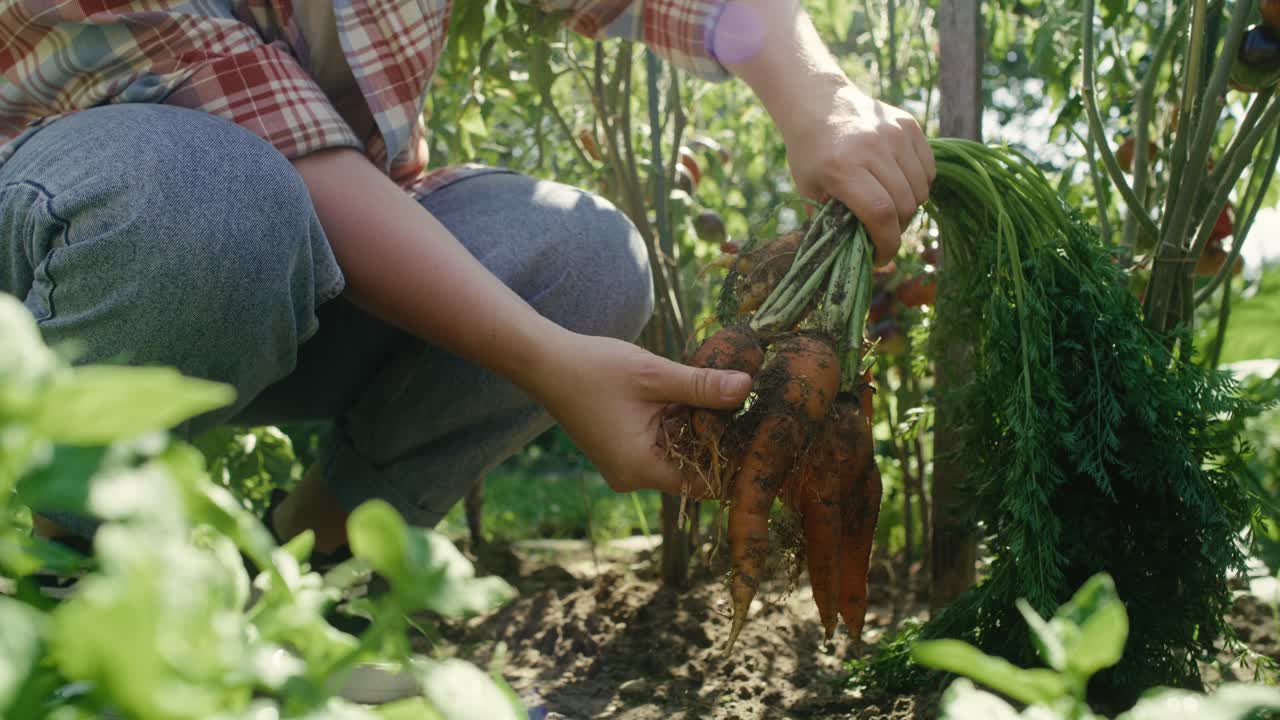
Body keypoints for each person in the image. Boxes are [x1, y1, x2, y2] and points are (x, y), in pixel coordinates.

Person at [1, 0, 934, 556]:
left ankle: (302, 567)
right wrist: (549, 364)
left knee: (587, 260)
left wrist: (821, 98)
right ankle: (76, 576)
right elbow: (262, 139)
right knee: (215, 193)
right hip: (74, 263)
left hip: (302, 253)